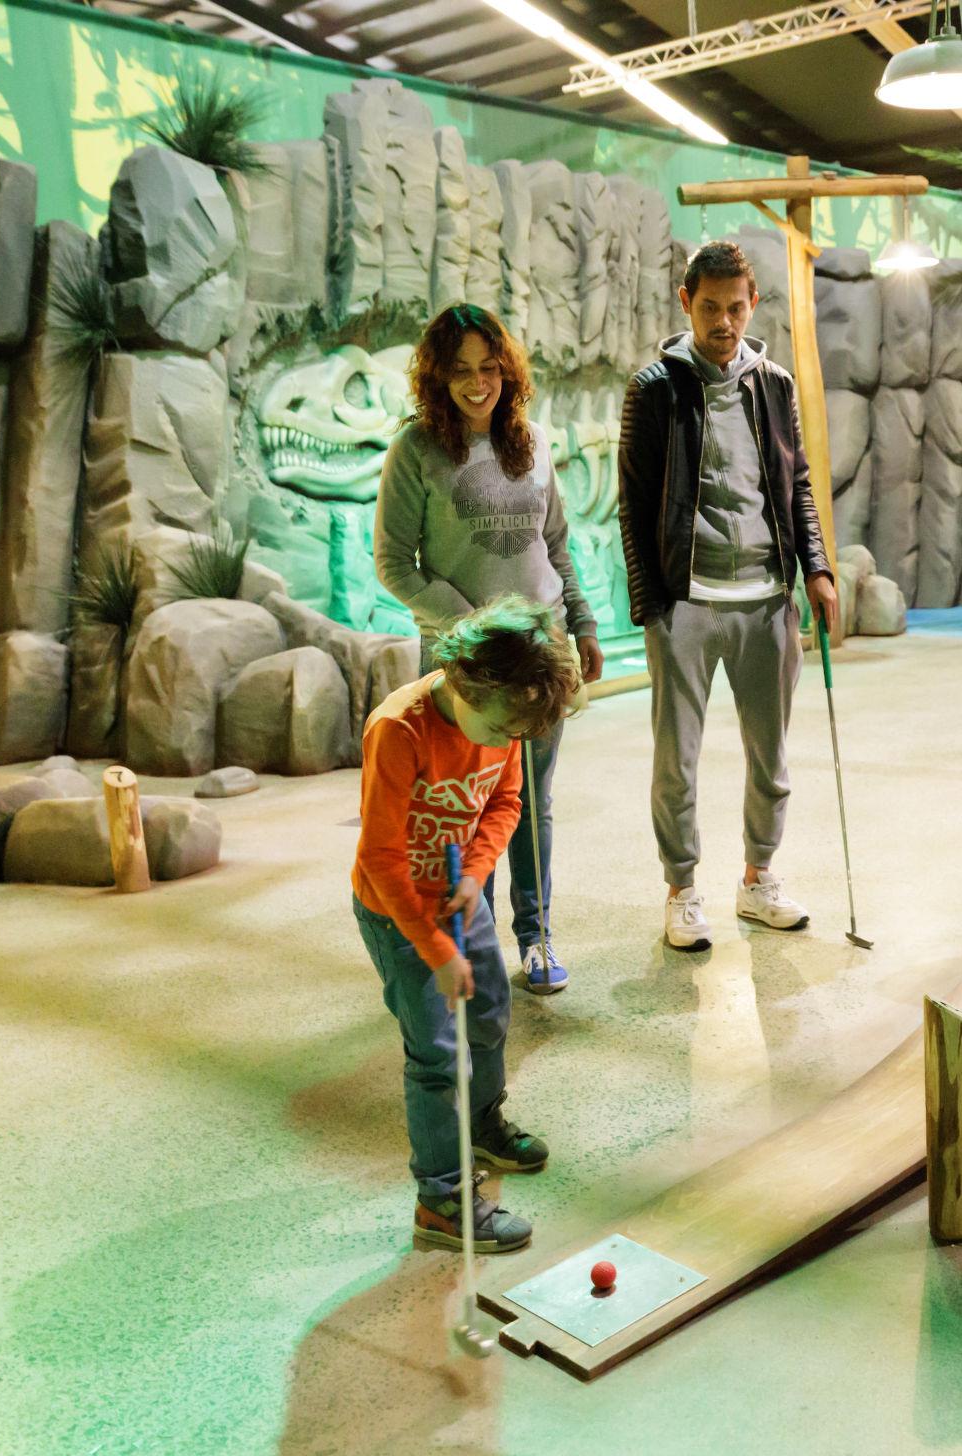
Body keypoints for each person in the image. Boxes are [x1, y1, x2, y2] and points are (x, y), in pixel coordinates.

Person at [375, 303, 602, 996]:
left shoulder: (530, 443)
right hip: (464, 665)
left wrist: (584, 623)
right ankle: (464, 937)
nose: (478, 383)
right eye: (461, 370)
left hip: (538, 660)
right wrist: (476, 633)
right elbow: (394, 563)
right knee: (460, 806)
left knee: (531, 802)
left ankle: (535, 938)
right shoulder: (416, 451)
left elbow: (555, 546)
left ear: (508, 370)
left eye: (489, 367)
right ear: (437, 377)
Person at [617, 240, 837, 952]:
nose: (724, 322)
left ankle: (757, 879)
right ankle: (682, 890)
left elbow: (796, 484)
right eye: (709, 307)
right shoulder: (653, 387)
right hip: (687, 599)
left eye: (736, 307)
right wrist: (651, 604)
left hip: (767, 597)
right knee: (676, 760)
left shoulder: (774, 383)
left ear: (753, 304)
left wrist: (818, 570)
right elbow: (634, 503)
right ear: (687, 302)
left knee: (769, 756)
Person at [351, 596, 581, 1255]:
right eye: (502, 728)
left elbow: (506, 803)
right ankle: (442, 1202)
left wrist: (476, 876)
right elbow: (380, 857)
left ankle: (480, 1124)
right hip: (398, 909)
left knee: (487, 1020)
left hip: (459, 894)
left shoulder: (502, 726)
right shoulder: (400, 730)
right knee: (435, 1054)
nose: (509, 742)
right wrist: (434, 950)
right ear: (466, 683)